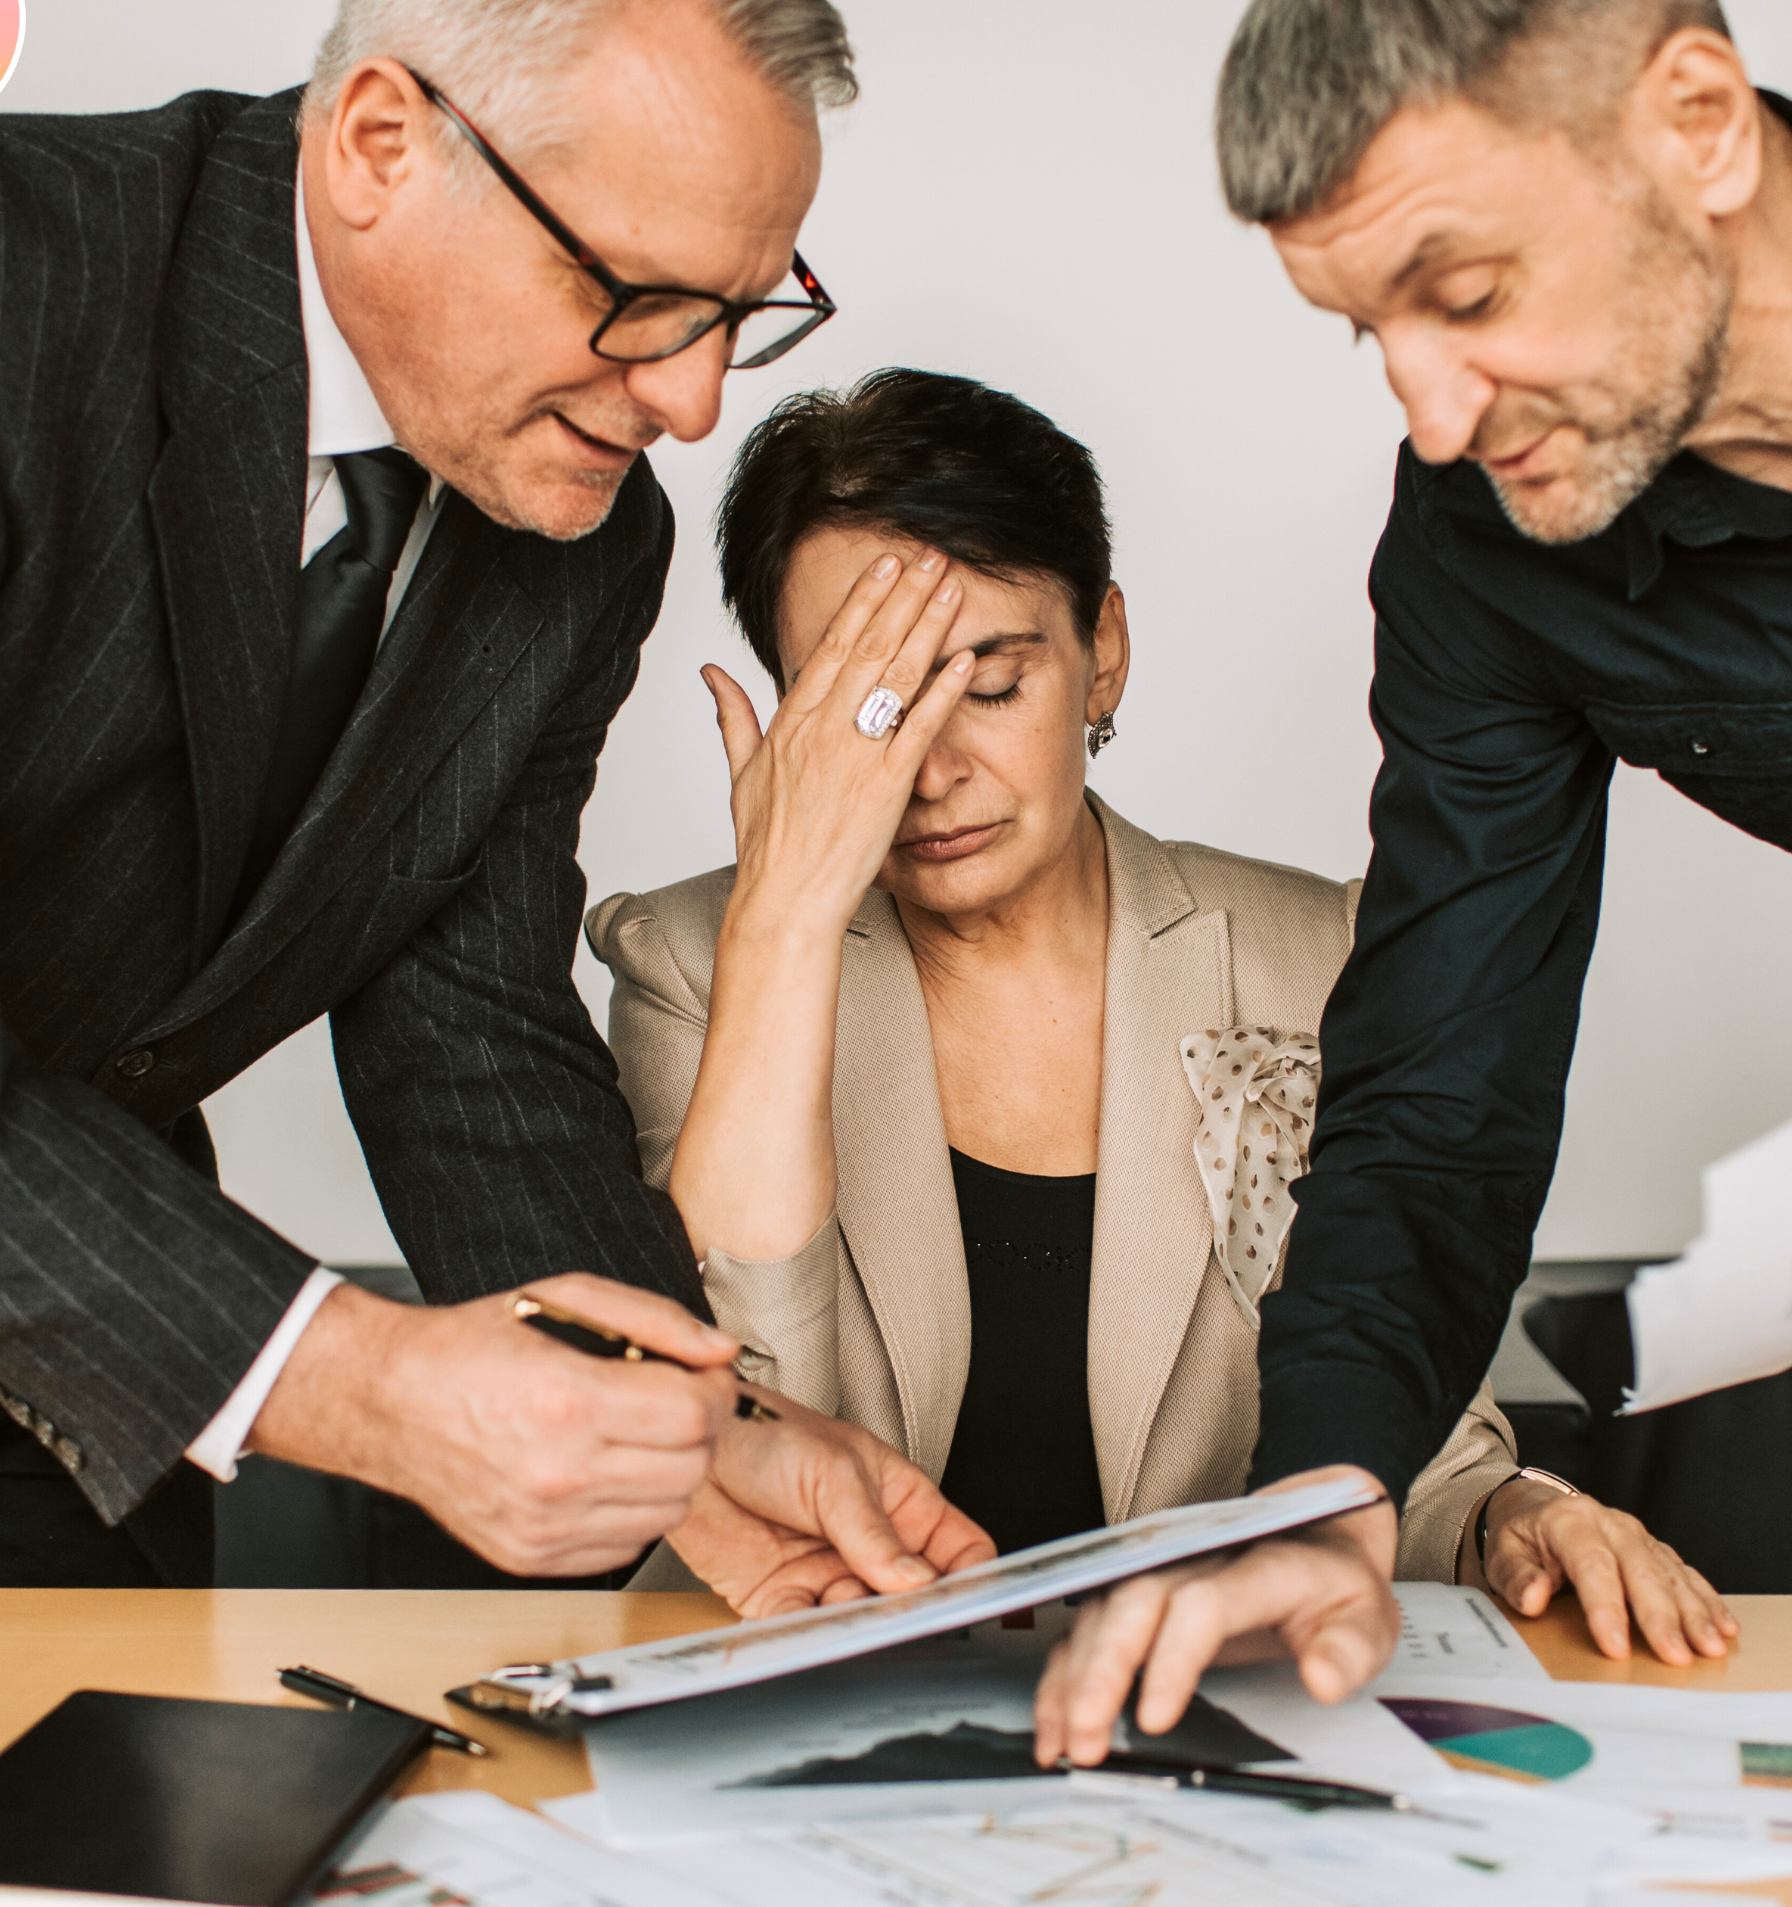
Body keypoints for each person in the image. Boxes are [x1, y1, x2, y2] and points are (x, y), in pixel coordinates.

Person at [0, 0, 987, 1607]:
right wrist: (367, 1382)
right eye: (641, 296)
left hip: (22, 1405)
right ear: (385, 142)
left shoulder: (581, 531)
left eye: (745, 311)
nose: (696, 402)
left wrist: (680, 1429)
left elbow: (463, 1024)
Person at [582, 367, 1731, 1746]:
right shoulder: (696, 962)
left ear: (1102, 653)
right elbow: (739, 1427)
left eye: (992, 683)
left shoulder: (1318, 956)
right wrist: (784, 923)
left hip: (1198, 1738)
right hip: (792, 1728)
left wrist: (1515, 1518)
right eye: (869, 710)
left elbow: (1394, 1447)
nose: (934, 769)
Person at [1032, 0, 1792, 1760]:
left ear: (1697, 124)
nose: (1435, 416)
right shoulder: (1484, 542)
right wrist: (1328, 1494)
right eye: (1368, 330)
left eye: (1464, 296)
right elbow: (1441, 1085)